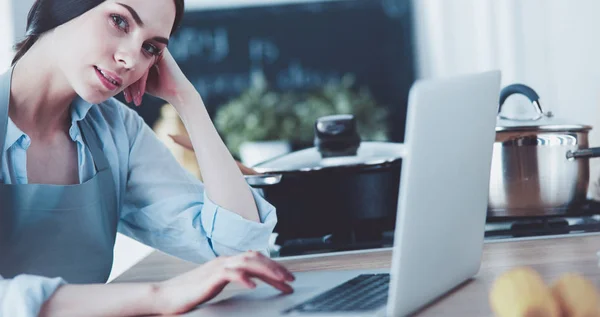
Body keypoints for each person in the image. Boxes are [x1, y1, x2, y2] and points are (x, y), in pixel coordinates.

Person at [0, 0, 295, 316]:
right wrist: (159, 296)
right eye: (119, 21)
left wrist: (187, 101)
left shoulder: (114, 131)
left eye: (151, 48)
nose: (130, 59)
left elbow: (241, 248)